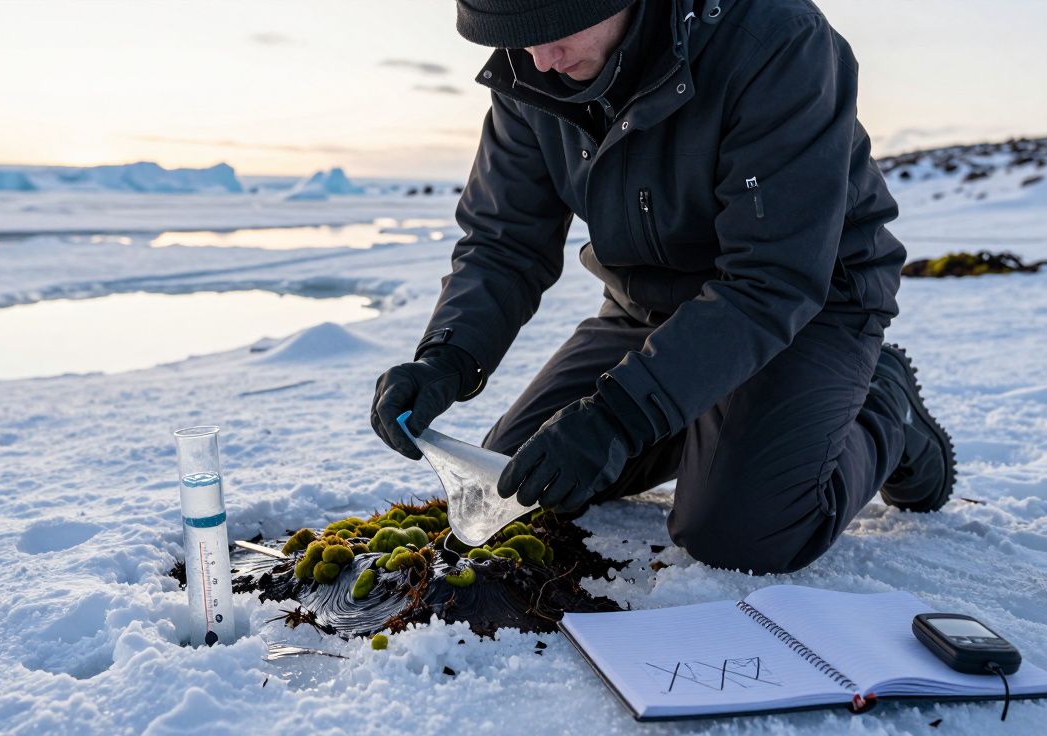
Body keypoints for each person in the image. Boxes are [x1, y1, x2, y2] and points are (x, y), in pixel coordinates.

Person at [370, 0, 956, 575]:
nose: (541, 60)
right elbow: (504, 243)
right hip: (648, 308)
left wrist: (618, 415)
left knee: (739, 533)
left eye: (557, 29)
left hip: (809, 307)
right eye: (518, 36)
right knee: (525, 480)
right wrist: (447, 356)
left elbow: (773, 279)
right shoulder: (532, 68)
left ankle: (885, 406)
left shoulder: (775, 39)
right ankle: (705, 413)